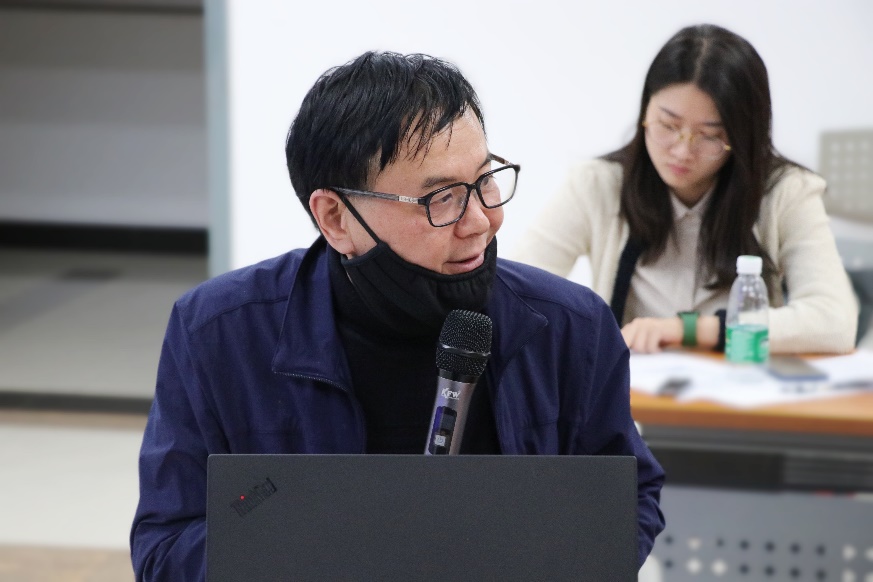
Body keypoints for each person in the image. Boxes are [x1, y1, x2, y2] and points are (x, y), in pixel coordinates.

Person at [130, 51, 664, 580]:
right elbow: (166, 547)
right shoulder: (219, 334)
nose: (481, 220)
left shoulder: (572, 328)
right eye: (442, 197)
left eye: (485, 180)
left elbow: (628, 497)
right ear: (336, 218)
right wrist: (331, 545)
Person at [513, 24, 858, 355]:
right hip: (633, 392)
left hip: (744, 389)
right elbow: (515, 291)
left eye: (709, 136)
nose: (681, 151)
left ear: (742, 137)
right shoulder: (598, 184)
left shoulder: (786, 192)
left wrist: (691, 330)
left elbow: (835, 321)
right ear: (645, 111)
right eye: (667, 125)